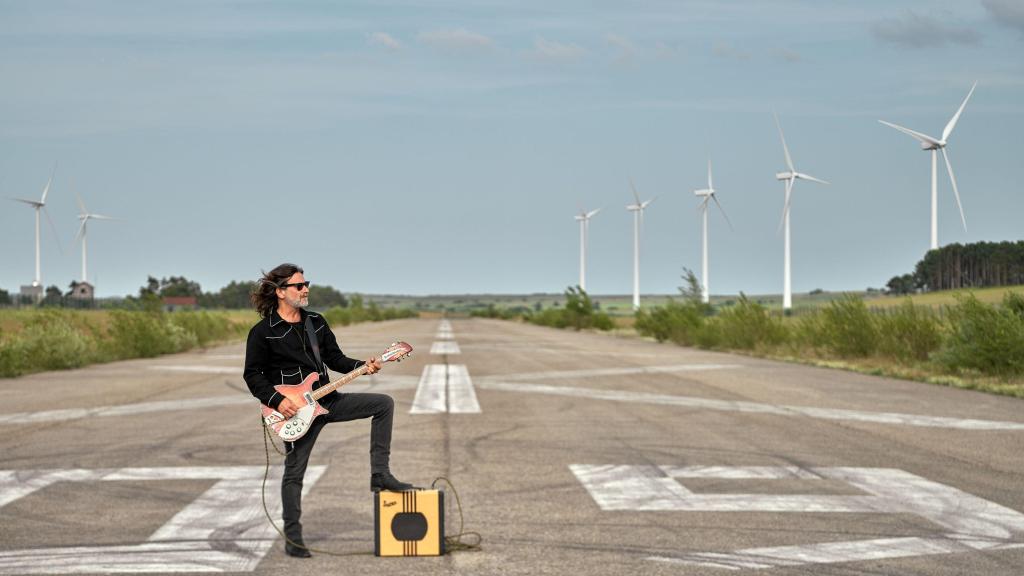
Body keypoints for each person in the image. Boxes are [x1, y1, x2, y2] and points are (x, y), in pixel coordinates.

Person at [243, 263, 413, 558]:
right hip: (295, 412)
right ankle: (294, 539)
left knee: (383, 404)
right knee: (294, 473)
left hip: (327, 400)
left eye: (306, 283)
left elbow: (335, 358)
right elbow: (253, 374)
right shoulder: (262, 332)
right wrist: (277, 400)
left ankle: (380, 474)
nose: (306, 288)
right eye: (299, 285)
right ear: (281, 292)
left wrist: (364, 366)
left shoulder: (316, 323)